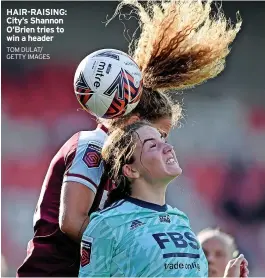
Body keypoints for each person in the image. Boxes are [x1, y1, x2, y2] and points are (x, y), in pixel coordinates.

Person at [17, 0, 241, 276]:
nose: (162, 144)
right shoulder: (93, 144)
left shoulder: (144, 193)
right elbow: (73, 222)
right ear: (136, 120)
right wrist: (138, 249)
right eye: (157, 135)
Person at [79, 122, 249, 277]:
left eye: (163, 140)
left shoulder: (180, 219)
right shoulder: (107, 224)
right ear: (131, 170)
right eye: (153, 145)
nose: (168, 147)